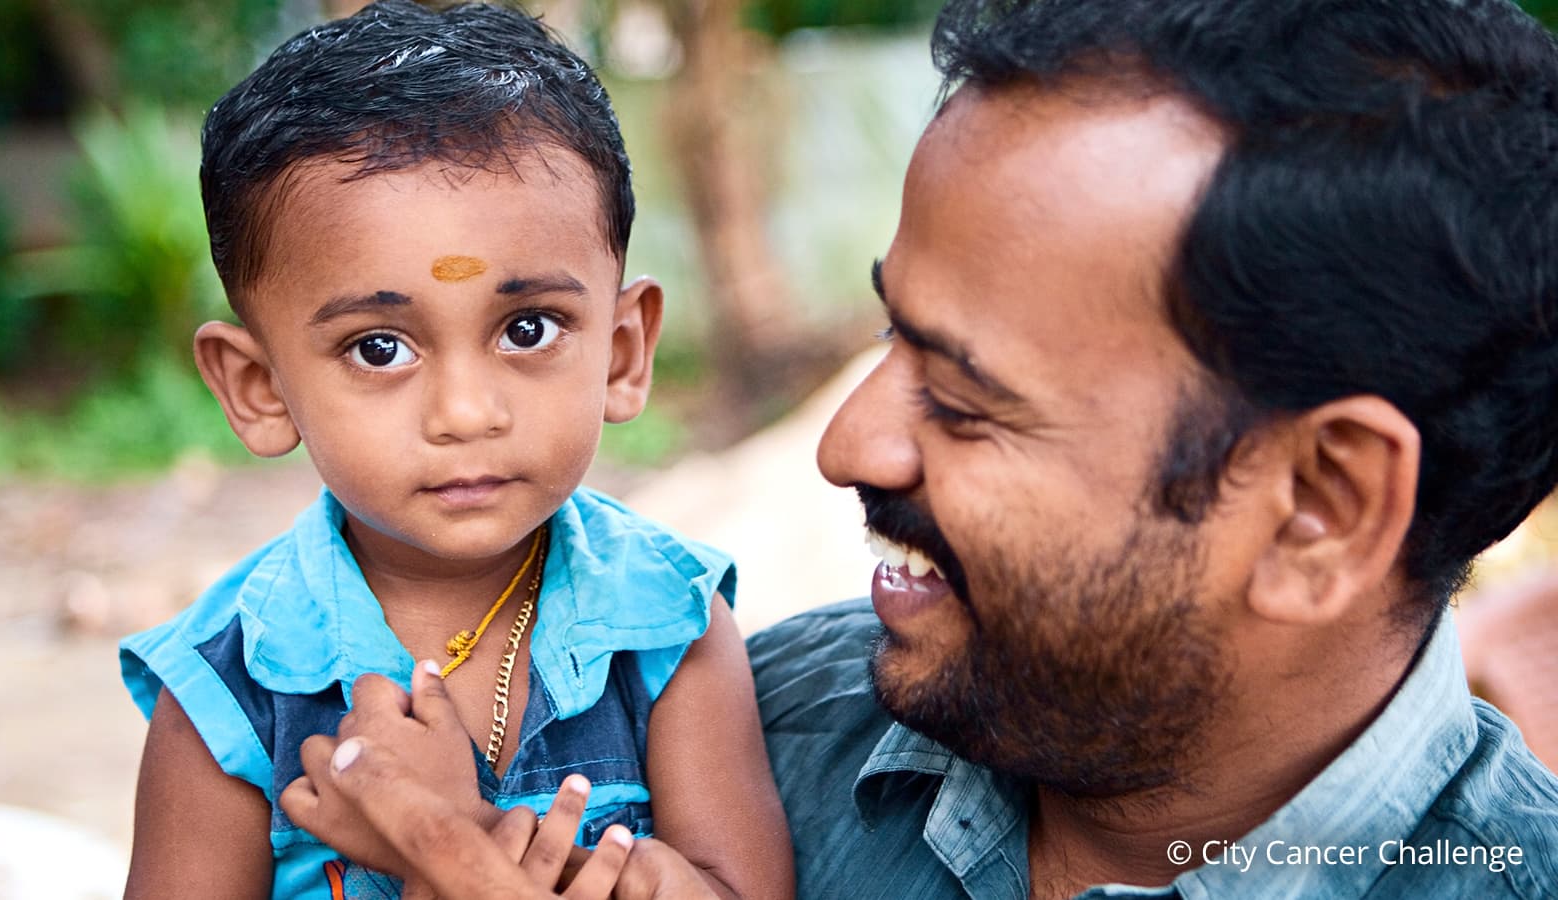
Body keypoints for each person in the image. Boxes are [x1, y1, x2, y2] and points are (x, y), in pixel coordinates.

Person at [280, 0, 1558, 897]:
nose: (848, 445)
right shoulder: (713, 735)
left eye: (966, 398)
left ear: (1315, 509)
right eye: (889, 336)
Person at [116, 3, 791, 898]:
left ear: (623, 352)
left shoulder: (666, 624)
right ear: (259, 389)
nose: (467, 413)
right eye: (379, 348)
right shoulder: (231, 689)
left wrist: (453, 840)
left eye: (528, 328)